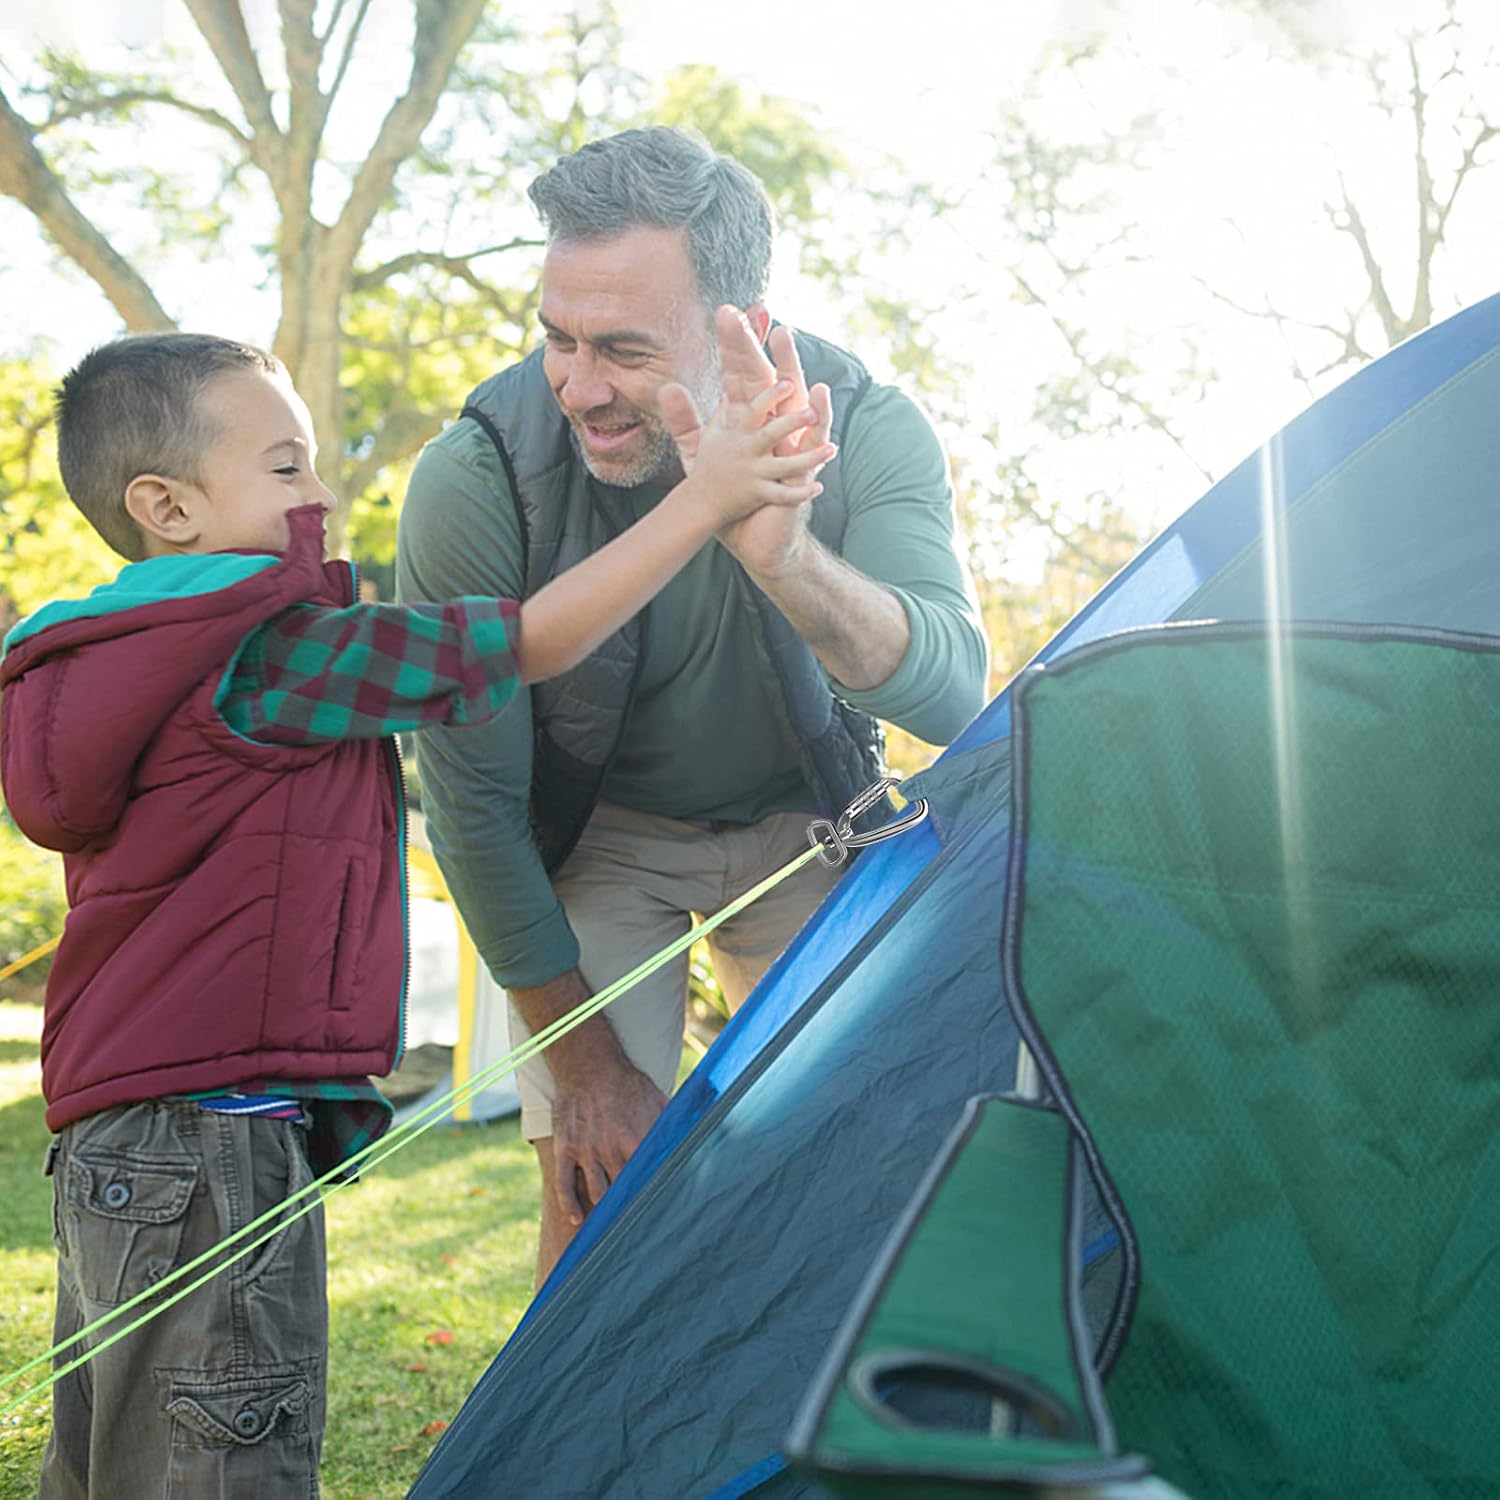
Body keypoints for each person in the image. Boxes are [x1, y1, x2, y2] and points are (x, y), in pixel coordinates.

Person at [0, 329, 829, 1497]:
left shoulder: (103, 666)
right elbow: (532, 638)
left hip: (111, 1149)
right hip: (221, 1140)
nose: (323, 492)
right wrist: (707, 498)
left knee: (110, 1461)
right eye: (287, 468)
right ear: (167, 507)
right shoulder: (274, 658)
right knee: (229, 1456)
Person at [396, 126, 989, 1285]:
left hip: (803, 821)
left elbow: (957, 696)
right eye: (556, 338)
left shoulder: (866, 426)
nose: (579, 386)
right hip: (602, 840)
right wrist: (587, 1074)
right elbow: (470, 806)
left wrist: (790, 563)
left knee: (882, 1155)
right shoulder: (474, 477)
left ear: (744, 331)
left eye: (621, 348)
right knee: (597, 1185)